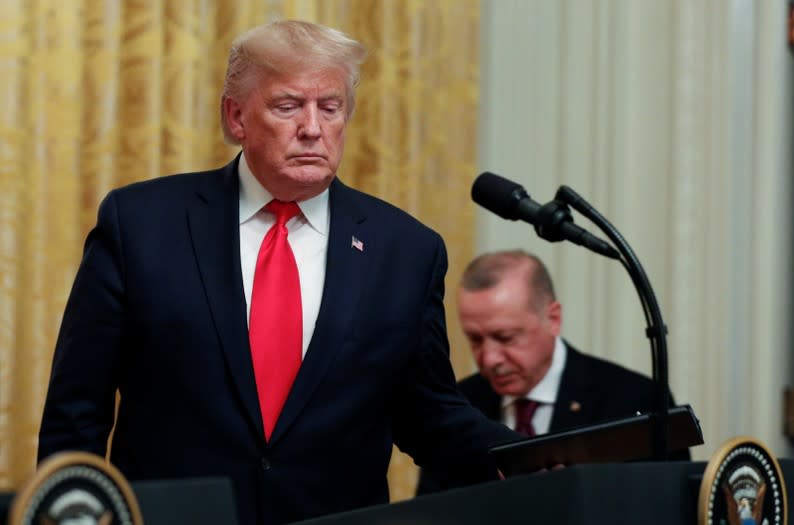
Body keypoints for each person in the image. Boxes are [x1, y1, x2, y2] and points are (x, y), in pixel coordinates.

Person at [37, 20, 521, 525]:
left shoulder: (405, 251)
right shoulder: (141, 224)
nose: (312, 127)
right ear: (236, 116)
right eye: (288, 106)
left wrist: (537, 459)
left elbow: (430, 415)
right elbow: (76, 414)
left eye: (330, 108)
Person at [416, 250, 690, 495]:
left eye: (506, 337)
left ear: (553, 319)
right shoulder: (455, 406)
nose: (489, 359)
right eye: (475, 339)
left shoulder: (634, 400)